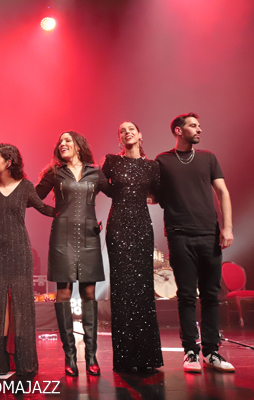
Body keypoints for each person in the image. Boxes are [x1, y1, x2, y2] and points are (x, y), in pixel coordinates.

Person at [156, 113, 235, 373]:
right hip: (179, 234)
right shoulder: (163, 161)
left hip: (209, 234)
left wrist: (227, 227)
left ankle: (211, 352)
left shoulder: (208, 158)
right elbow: (153, 195)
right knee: (187, 295)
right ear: (178, 131)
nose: (199, 129)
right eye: (193, 126)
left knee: (211, 295)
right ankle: (191, 351)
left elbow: (222, 192)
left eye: (199, 125)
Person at [0, 144, 56, 376]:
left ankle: (26, 364)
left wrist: (67, 212)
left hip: (20, 251)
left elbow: (44, 208)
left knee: (23, 307)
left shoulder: (26, 186)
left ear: (8, 162)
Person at [36, 131, 110, 377]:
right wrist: (52, 212)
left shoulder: (95, 172)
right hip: (62, 237)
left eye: (68, 140)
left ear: (79, 146)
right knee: (64, 292)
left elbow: (116, 193)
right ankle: (69, 357)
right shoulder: (55, 173)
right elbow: (32, 196)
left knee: (89, 293)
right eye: (60, 141)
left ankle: (91, 356)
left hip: (89, 237)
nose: (62, 143)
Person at [102, 122, 163, 373]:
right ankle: (125, 358)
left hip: (142, 229)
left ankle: (147, 356)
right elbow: (102, 187)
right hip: (118, 228)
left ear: (140, 135)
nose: (127, 132)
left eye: (131, 129)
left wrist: (143, 196)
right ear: (120, 139)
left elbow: (160, 195)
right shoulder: (111, 162)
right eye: (122, 130)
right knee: (122, 289)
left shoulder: (152, 166)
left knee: (143, 289)